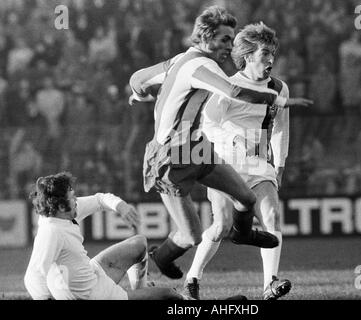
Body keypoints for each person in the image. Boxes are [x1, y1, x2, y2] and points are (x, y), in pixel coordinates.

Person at [128, 6, 289, 280]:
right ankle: (158, 257)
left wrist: (139, 93)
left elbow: (138, 78)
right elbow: (233, 90)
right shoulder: (200, 65)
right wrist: (275, 98)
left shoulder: (179, 60)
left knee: (247, 198)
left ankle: (242, 234)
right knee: (191, 235)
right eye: (225, 39)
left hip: (197, 147)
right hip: (170, 155)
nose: (230, 46)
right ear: (205, 36)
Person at [183, 22, 312, 300]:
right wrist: (233, 141)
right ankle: (192, 277)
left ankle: (270, 284)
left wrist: (279, 166)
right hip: (224, 166)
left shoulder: (279, 88)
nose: (271, 59)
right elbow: (209, 125)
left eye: (272, 53)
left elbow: (280, 129)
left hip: (259, 167)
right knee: (221, 227)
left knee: (272, 218)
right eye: (265, 53)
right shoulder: (229, 87)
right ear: (248, 56)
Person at [24, 172, 185, 300]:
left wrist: (121, 206)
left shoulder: (62, 213)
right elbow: (33, 275)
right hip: (94, 295)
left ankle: (140, 290)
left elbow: (99, 200)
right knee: (168, 294)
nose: (76, 200)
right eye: (72, 198)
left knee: (139, 242)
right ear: (60, 205)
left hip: (91, 274)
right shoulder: (51, 231)